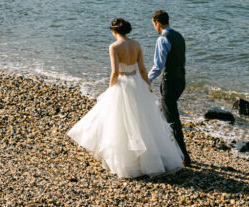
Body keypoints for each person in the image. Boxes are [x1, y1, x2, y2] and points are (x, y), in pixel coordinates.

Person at [67, 18, 184, 178]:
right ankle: (151, 160)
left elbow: (115, 71)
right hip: (137, 82)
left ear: (114, 31)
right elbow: (142, 69)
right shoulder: (136, 45)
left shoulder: (114, 47)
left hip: (122, 83)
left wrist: (111, 88)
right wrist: (147, 86)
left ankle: (128, 162)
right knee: (142, 121)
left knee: (120, 122)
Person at [148, 10, 191, 166]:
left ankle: (184, 155)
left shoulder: (162, 39)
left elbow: (158, 67)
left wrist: (147, 80)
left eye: (154, 24)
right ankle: (160, 148)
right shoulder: (179, 36)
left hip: (170, 82)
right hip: (181, 80)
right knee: (161, 113)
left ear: (157, 23)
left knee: (172, 120)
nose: (154, 27)